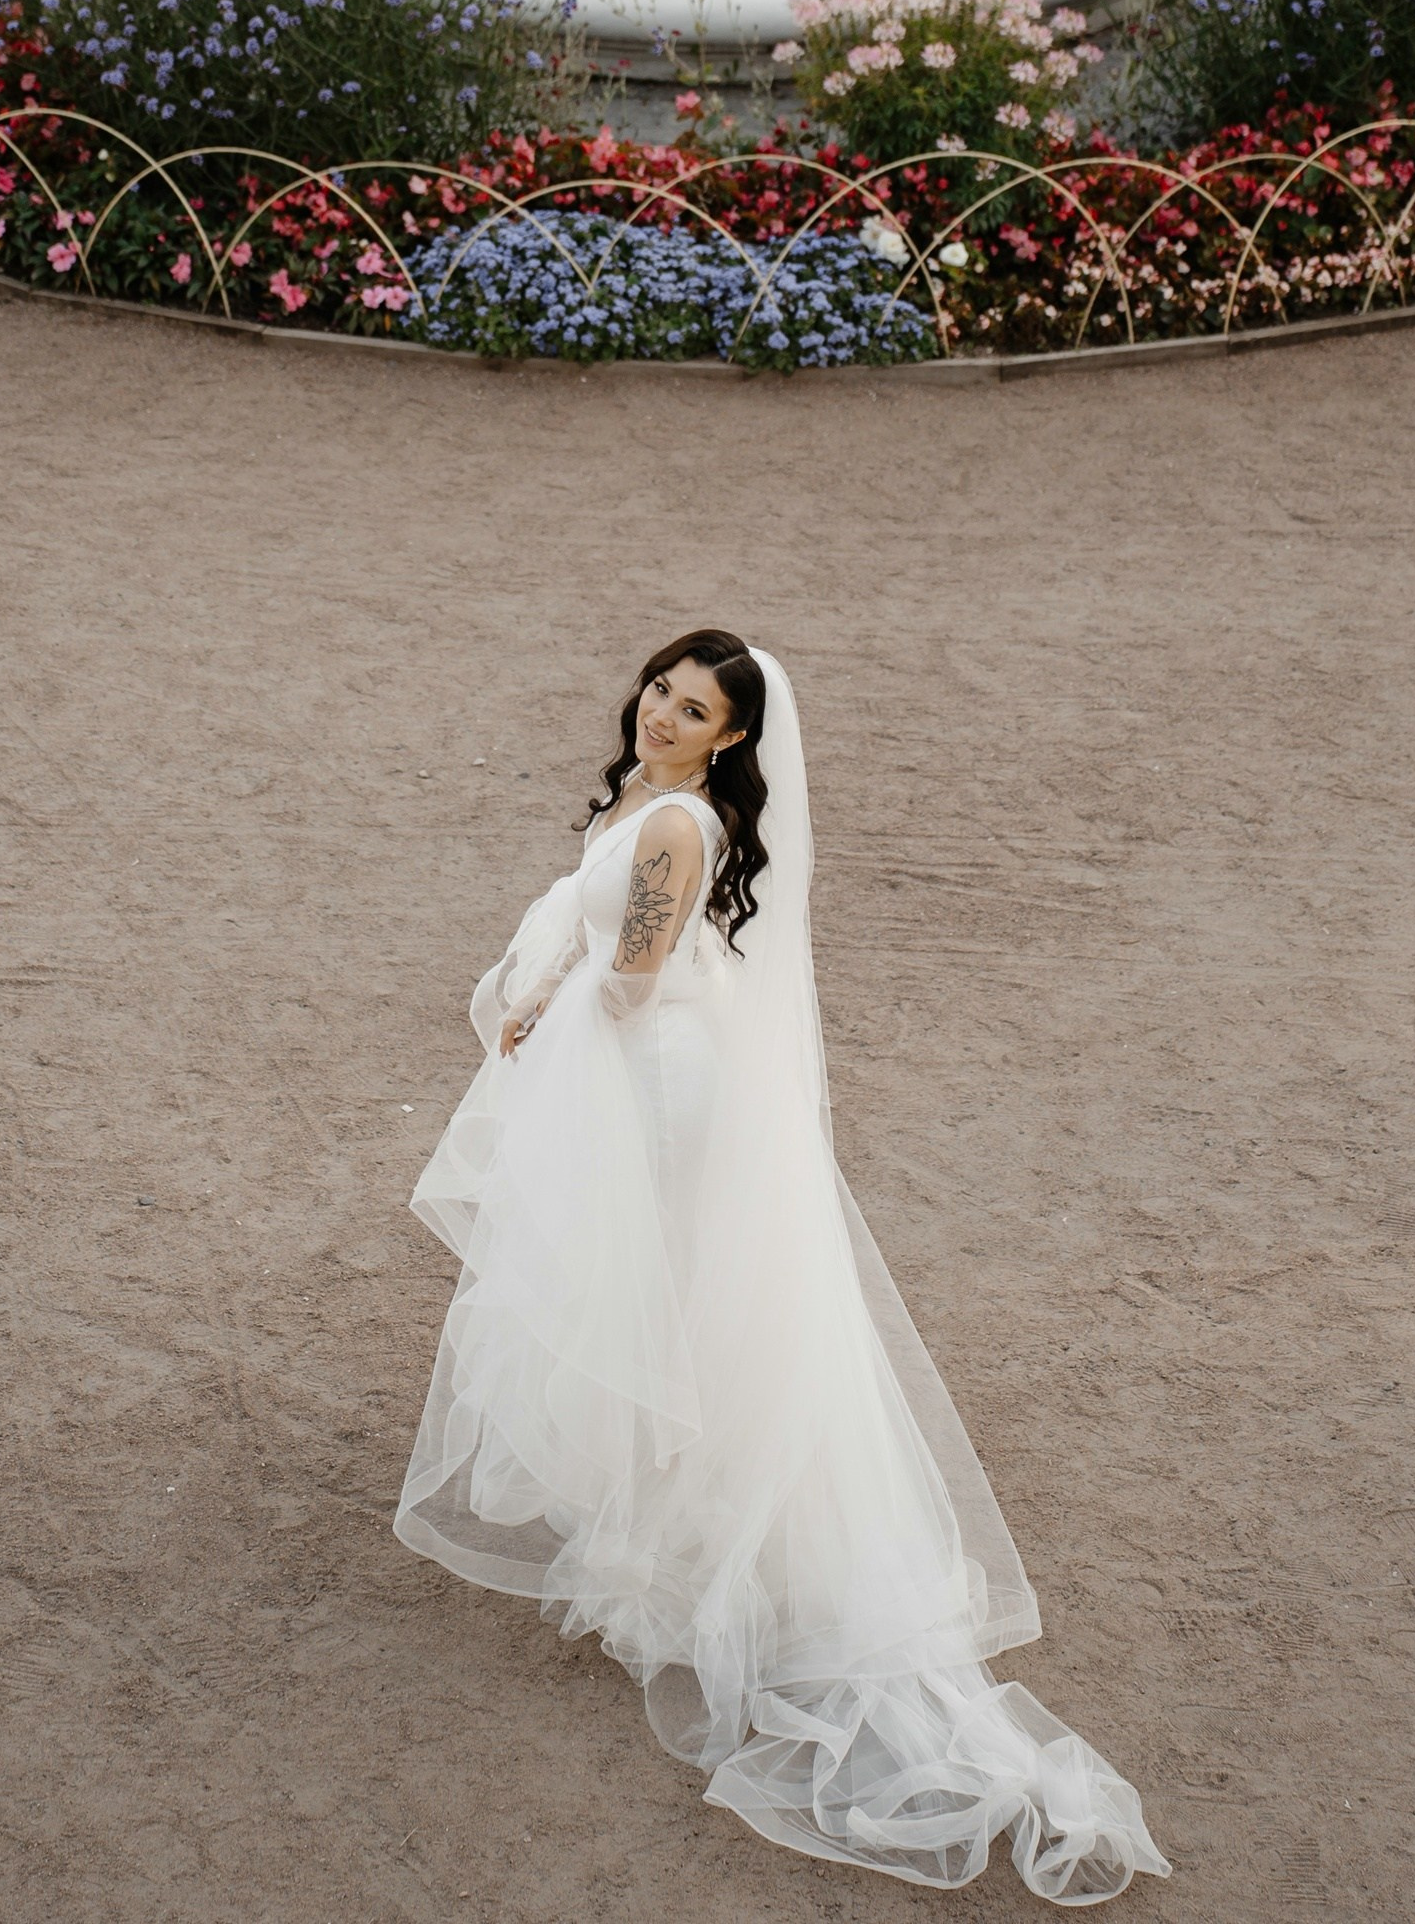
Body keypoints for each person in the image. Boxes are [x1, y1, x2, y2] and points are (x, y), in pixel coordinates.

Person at [396, 632, 1170, 1903]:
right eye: (657, 690)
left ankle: (682, 1536)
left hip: (649, 1086)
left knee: (650, 1296)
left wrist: (536, 1006)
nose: (659, 714)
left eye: (690, 708)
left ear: (732, 738)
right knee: (670, 1300)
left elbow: (633, 986)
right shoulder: (654, 802)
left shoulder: (674, 832)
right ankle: (662, 1518)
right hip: (652, 1070)